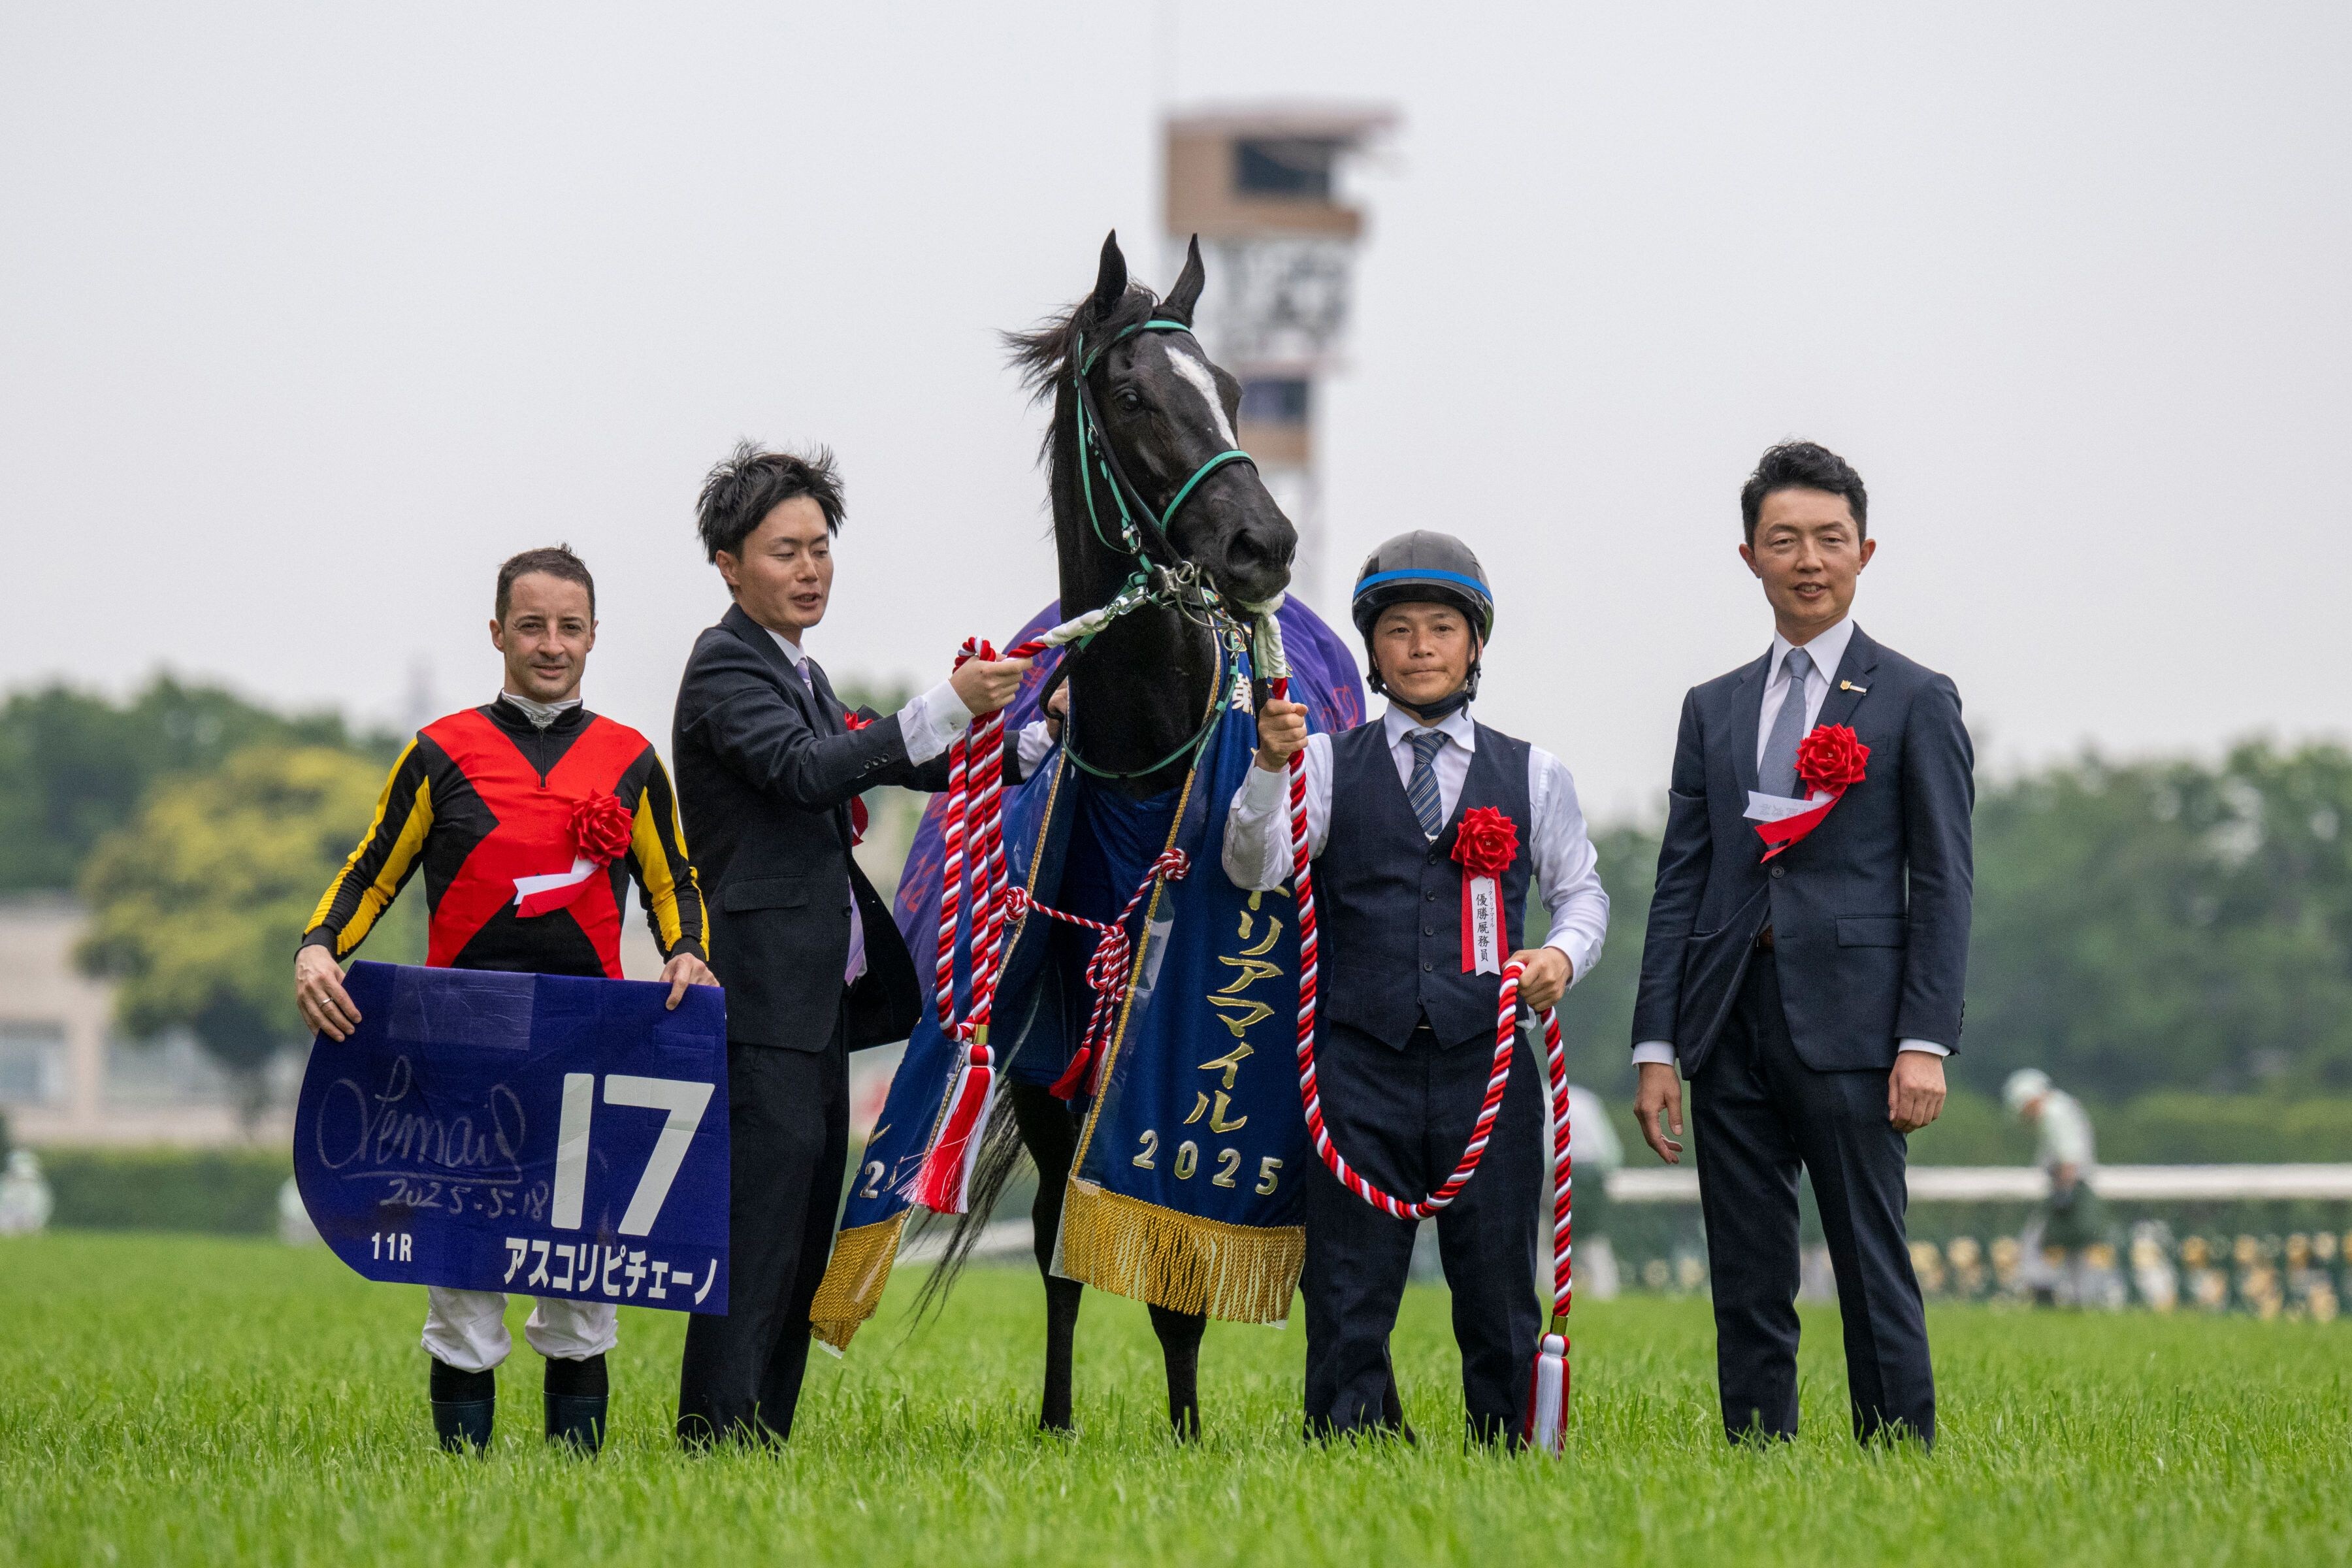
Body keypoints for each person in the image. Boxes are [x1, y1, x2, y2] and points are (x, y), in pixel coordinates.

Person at [294, 545, 717, 1456]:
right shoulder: (438, 751)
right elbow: (372, 872)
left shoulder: (632, 759)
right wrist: (318, 946)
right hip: (459, 1046)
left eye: (569, 627)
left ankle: (573, 1484)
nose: (551, 644)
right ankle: (463, 1482)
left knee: (583, 1282)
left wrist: (688, 953)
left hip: (589, 1046)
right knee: (462, 1275)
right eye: (532, 626)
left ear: (594, 635)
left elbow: (673, 881)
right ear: (497, 633)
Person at [668, 443, 1045, 1446]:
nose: (809, 569)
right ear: (728, 565)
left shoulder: (798, 670)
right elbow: (809, 770)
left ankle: (759, 1438)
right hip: (759, 1001)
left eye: (820, 548)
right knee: (759, 1236)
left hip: (813, 1006)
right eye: (784, 550)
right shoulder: (725, 667)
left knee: (801, 1238)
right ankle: (713, 1439)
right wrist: (948, 702)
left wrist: (1037, 741)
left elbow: (894, 756)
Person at [1229, 531, 1609, 1446]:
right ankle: (1352, 1442)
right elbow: (1252, 865)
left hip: (1490, 1065)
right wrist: (1268, 766)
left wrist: (1561, 958)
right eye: (1399, 629)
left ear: (1475, 643)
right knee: (1347, 1291)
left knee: (1498, 1289)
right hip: (1359, 1066)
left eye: (1442, 627)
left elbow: (1583, 893)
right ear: (1374, 648)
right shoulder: (1323, 763)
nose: (1421, 647)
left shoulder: (1536, 773)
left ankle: (1511, 1445)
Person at [1629, 441, 1972, 1448]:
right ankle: (1756, 1452)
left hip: (1857, 1029)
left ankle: (1898, 1454)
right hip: (1727, 1020)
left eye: (1830, 539)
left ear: (1865, 551)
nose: (1808, 560)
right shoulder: (1714, 706)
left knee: (1870, 1259)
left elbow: (1943, 881)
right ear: (1750, 557)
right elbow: (1682, 879)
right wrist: (1657, 1046)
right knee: (1745, 1269)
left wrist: (1925, 1040)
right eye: (1784, 540)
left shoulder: (1915, 697)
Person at [2003, 1068, 2105, 1305]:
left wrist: (2063, 1192)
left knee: (2036, 1240)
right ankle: (2079, 1298)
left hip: (2069, 1187)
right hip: (2075, 1185)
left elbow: (2068, 1156)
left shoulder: (2054, 1113)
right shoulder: (2063, 1107)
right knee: (2074, 1248)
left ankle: (2044, 1291)